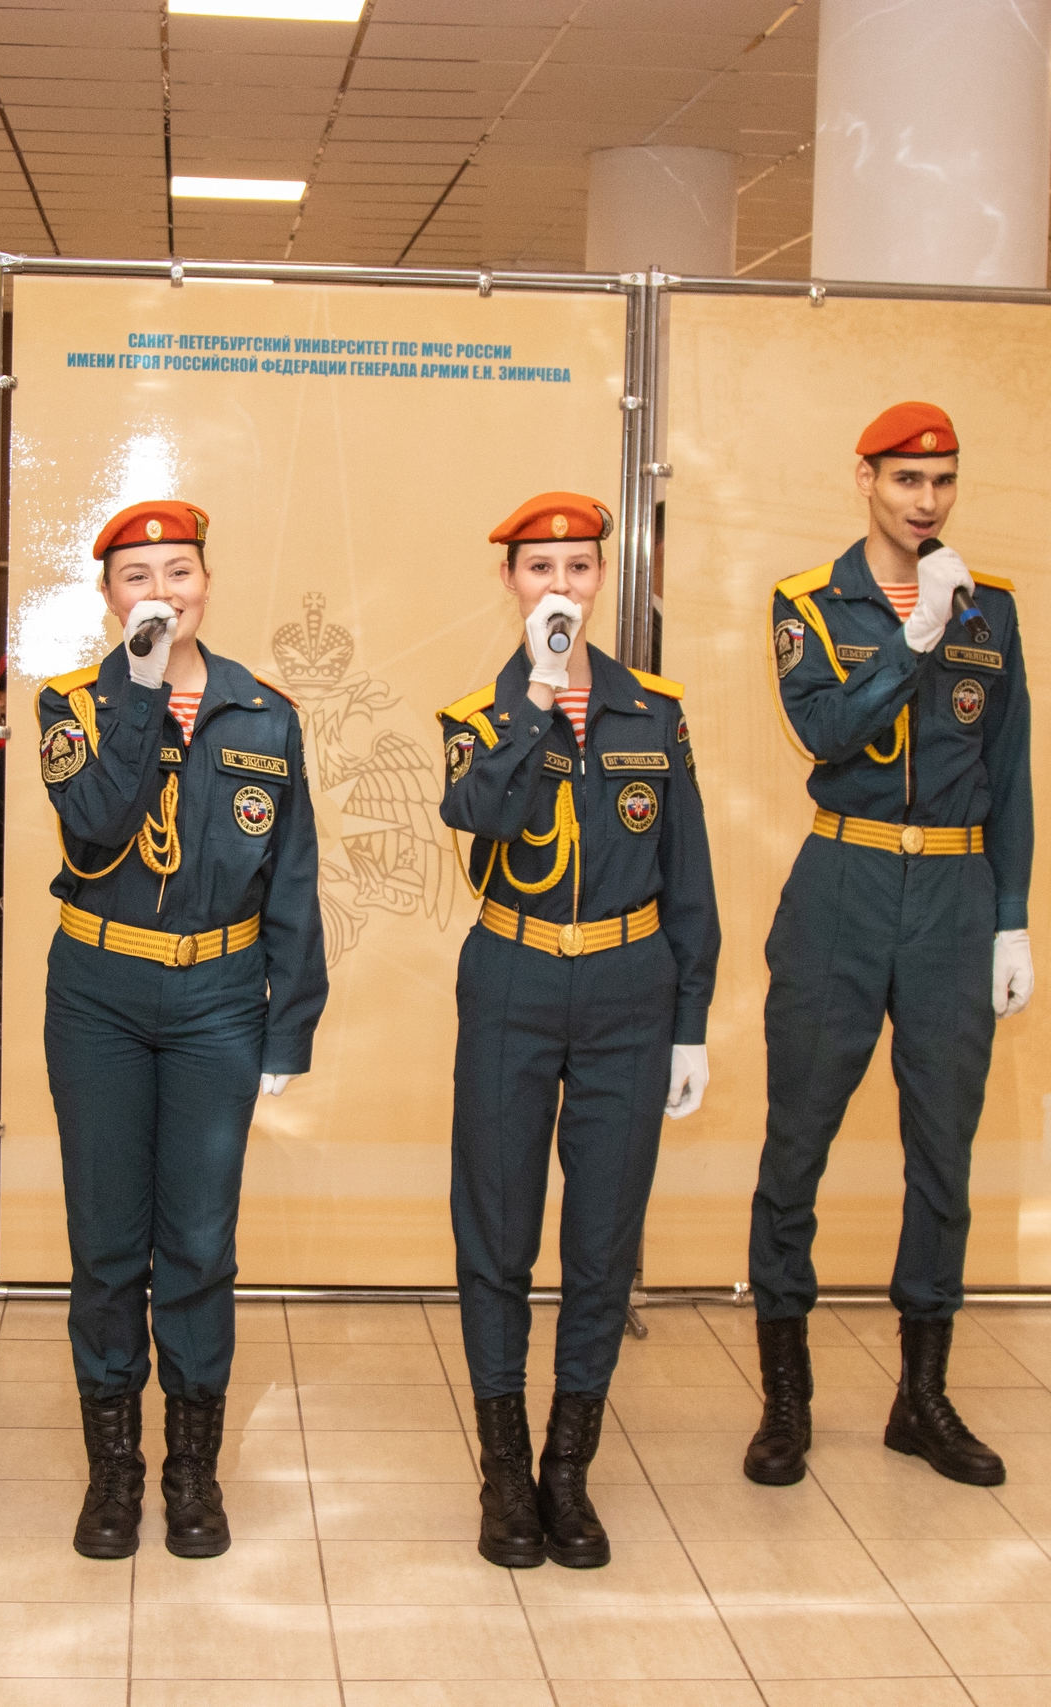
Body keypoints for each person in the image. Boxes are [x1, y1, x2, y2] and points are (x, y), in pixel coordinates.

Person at [742, 402, 1033, 1491]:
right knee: (797, 1144)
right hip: (845, 882)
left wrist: (1012, 915)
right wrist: (912, 640)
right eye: (908, 480)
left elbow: (1011, 770)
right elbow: (823, 730)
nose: (928, 501)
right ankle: (786, 1396)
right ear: (865, 479)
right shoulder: (810, 605)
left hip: (955, 892)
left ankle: (922, 1396)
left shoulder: (992, 609)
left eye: (944, 480)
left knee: (943, 1152)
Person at [38, 499, 326, 1561]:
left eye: (179, 572)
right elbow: (96, 822)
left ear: (208, 582)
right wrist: (141, 690)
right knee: (108, 1241)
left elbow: (292, 881)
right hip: (99, 995)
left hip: (218, 999)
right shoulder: (70, 705)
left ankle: (192, 1469)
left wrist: (288, 1027)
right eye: (137, 576)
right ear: (107, 595)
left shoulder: (265, 714)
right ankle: (114, 1468)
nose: (161, 592)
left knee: (200, 1243)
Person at [437, 491, 719, 1571]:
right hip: (511, 979)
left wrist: (688, 1022)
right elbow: (480, 817)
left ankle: (568, 1467)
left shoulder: (655, 712)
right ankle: (505, 1470)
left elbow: (688, 877)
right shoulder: (478, 717)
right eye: (540, 567)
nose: (561, 585)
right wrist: (537, 696)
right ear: (510, 581)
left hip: (628, 988)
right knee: (497, 1232)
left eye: (580, 567)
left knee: (602, 1241)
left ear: (605, 579)